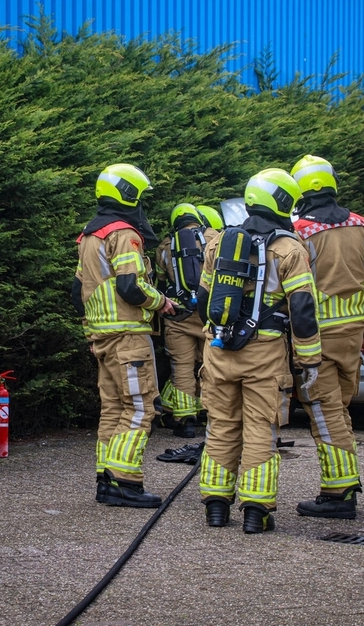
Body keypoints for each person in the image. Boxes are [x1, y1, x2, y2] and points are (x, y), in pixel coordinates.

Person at [196, 168, 322, 533]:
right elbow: (302, 310)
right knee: (260, 431)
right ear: (283, 202)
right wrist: (309, 359)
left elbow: (204, 301)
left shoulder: (218, 242)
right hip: (264, 353)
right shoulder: (289, 249)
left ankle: (216, 508)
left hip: (218, 351)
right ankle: (255, 511)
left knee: (220, 427)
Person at [290, 155, 364, 520]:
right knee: (339, 409)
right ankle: (342, 484)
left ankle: (340, 492)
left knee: (325, 412)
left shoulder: (299, 232)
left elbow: (295, 293)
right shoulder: (363, 226)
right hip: (353, 335)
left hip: (317, 337)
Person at [72, 163, 175, 508]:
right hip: (129, 335)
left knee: (113, 407)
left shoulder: (89, 235)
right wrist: (162, 302)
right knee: (140, 407)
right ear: (128, 194)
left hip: (101, 336)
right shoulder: (124, 234)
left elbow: (77, 293)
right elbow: (131, 286)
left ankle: (107, 478)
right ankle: (124, 483)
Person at [155, 203, 219, 439]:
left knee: (180, 367)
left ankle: (185, 421)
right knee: (210, 366)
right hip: (207, 313)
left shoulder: (165, 245)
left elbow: (160, 281)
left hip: (177, 315)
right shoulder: (214, 237)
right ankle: (212, 414)